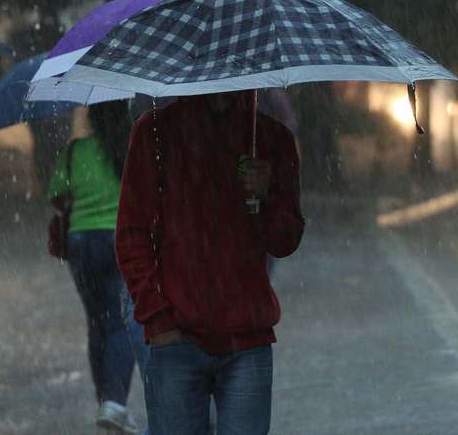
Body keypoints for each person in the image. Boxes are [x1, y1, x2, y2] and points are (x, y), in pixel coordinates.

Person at [116, 91, 305, 435]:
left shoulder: (271, 139)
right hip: (176, 340)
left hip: (248, 340)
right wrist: (159, 320)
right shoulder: (155, 134)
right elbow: (132, 235)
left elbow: (285, 240)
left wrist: (268, 193)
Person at [48, 101, 145, 434]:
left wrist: (83, 201)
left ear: (91, 114)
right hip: (121, 241)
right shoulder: (132, 146)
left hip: (81, 244)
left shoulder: (76, 152)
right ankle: (115, 403)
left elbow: (57, 196)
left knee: (97, 324)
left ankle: (106, 402)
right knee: (122, 323)